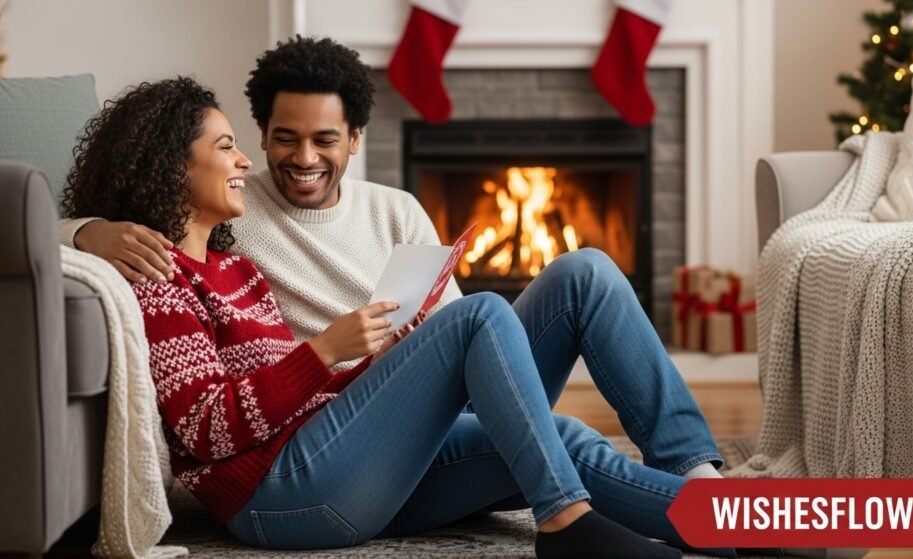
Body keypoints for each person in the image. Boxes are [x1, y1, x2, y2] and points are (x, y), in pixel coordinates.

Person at [61, 37, 730, 555]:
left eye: (324, 139)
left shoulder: (267, 255)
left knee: (578, 305)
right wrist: (89, 229)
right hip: (293, 485)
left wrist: (395, 362)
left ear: (354, 139)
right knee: (490, 329)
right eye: (256, 142)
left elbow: (450, 355)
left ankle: (739, 510)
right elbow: (207, 426)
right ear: (183, 163)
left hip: (372, 438)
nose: (285, 159)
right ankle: (564, 518)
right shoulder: (172, 260)